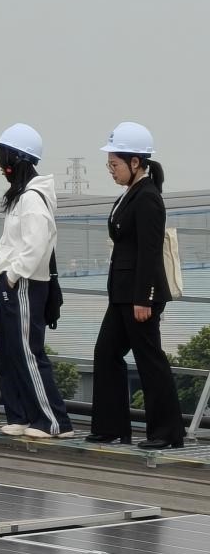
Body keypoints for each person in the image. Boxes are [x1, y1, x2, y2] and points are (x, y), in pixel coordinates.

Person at [89, 122, 184, 449]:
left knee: (149, 360)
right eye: (109, 165)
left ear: (135, 162)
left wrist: (144, 298)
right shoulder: (131, 194)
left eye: (114, 164)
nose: (111, 170)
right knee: (106, 354)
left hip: (139, 296)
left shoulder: (147, 198)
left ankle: (167, 433)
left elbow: (150, 252)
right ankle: (111, 427)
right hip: (122, 293)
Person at [0, 123, 73, 439]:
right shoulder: (23, 195)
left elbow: (36, 244)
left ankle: (54, 421)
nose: (2, 167)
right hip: (12, 282)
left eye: (4, 159)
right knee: (10, 352)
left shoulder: (33, 198)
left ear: (17, 159)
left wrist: (13, 276)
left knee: (27, 352)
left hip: (23, 283)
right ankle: (20, 415)